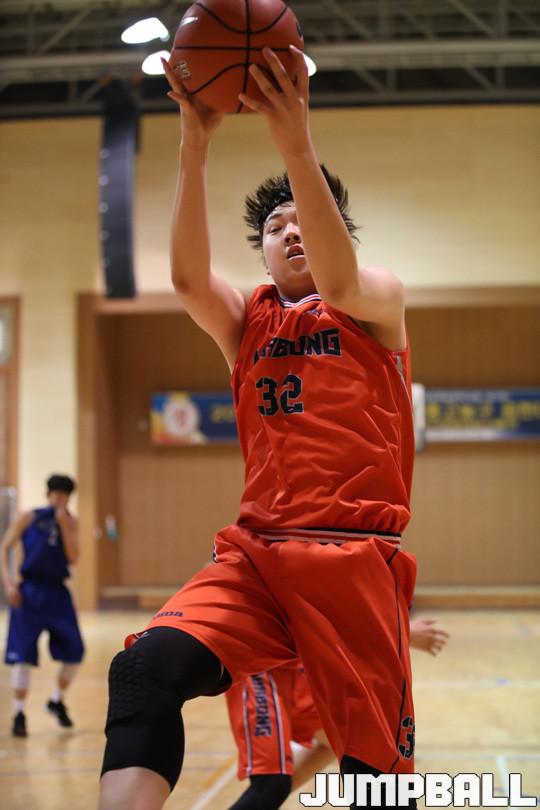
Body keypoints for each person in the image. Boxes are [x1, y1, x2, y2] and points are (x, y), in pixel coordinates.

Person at [99, 45, 416, 810]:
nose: (293, 231)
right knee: (143, 671)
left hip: (350, 559)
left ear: (337, 230)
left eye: (308, 218)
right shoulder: (248, 320)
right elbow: (185, 279)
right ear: (264, 252)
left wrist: (294, 141)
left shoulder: (375, 299)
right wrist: (193, 142)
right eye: (277, 226)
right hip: (258, 556)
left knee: (375, 783)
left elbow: (339, 278)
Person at [226, 618, 450, 809]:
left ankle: (266, 799)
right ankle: (268, 795)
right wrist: (399, 630)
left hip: (294, 661)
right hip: (261, 662)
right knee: (271, 784)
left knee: (348, 739)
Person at [1, 474, 84, 737]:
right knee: (22, 655)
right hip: (29, 591)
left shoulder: (71, 522)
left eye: (65, 495)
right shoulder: (29, 517)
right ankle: (19, 713)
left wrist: (64, 527)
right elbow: (4, 547)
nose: (60, 499)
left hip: (57, 592)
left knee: (75, 651)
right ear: (48, 494)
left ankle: (56, 699)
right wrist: (9, 584)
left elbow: (73, 558)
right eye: (56, 494)